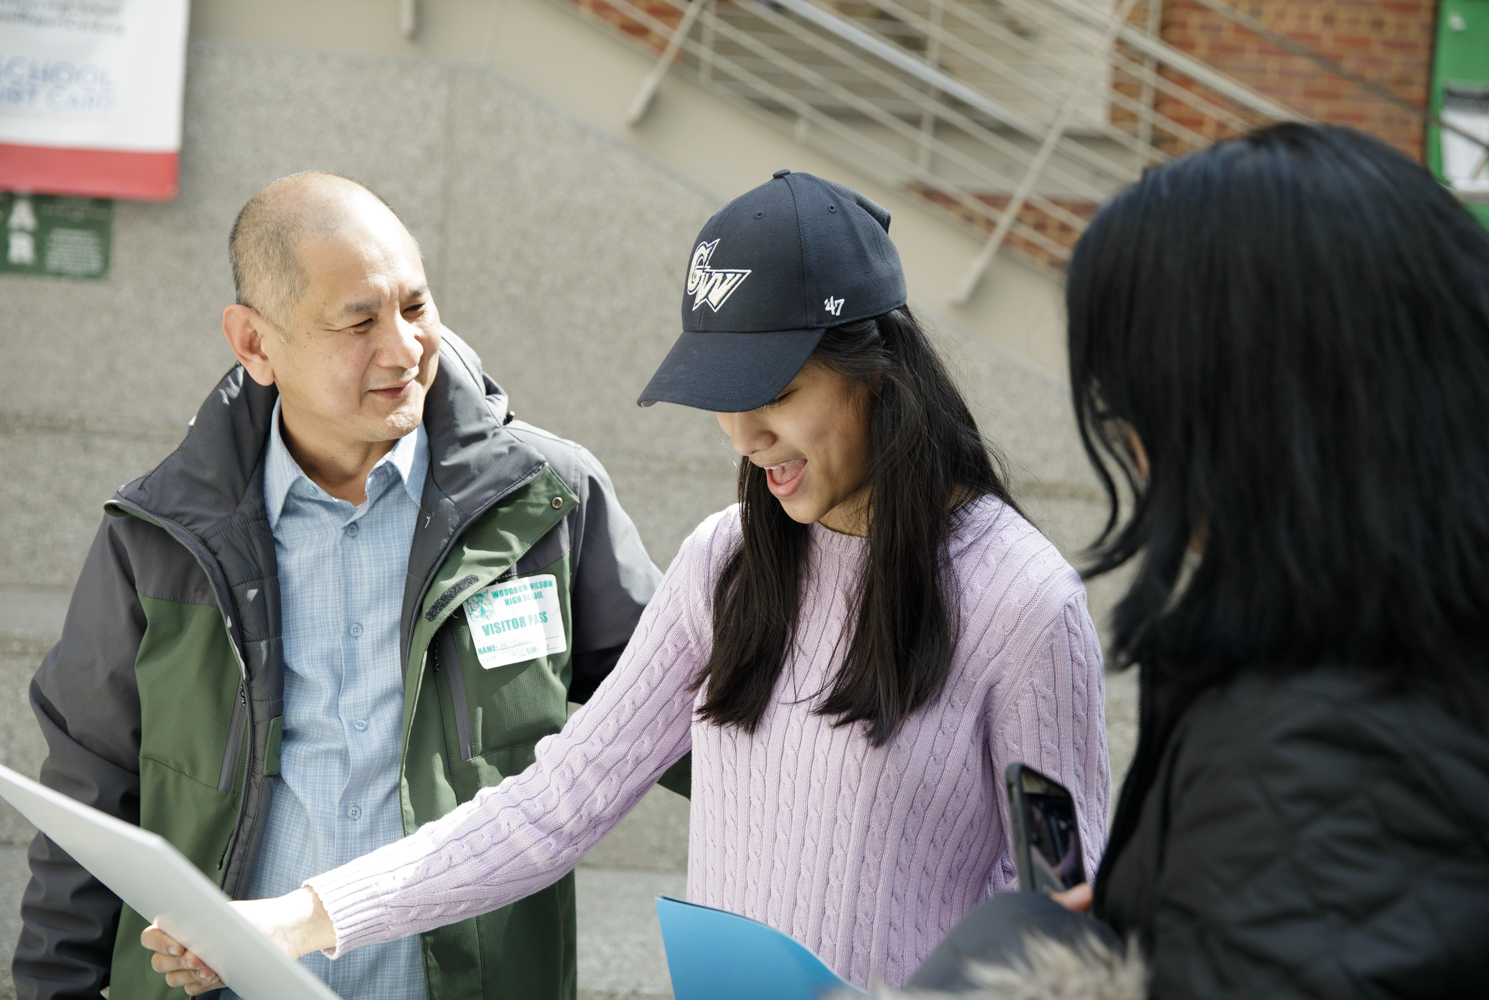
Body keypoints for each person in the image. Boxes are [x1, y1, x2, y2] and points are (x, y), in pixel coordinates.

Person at [143, 170, 1112, 993]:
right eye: (724, 398)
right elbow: (551, 803)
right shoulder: (728, 565)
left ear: (878, 368)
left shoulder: (1021, 604)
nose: (744, 434)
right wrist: (302, 918)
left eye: (775, 392)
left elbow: (1064, 913)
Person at [14, 172, 673, 1000]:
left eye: (416, 307)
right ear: (255, 344)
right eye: (359, 322)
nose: (403, 349)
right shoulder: (156, 539)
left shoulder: (546, 504)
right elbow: (90, 796)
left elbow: (687, 719)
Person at [1043, 123, 1489, 996]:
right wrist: (1171, 904)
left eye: (1130, 404)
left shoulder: (1319, 759)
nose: (1134, 447)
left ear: (1238, 424)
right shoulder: (1422, 662)